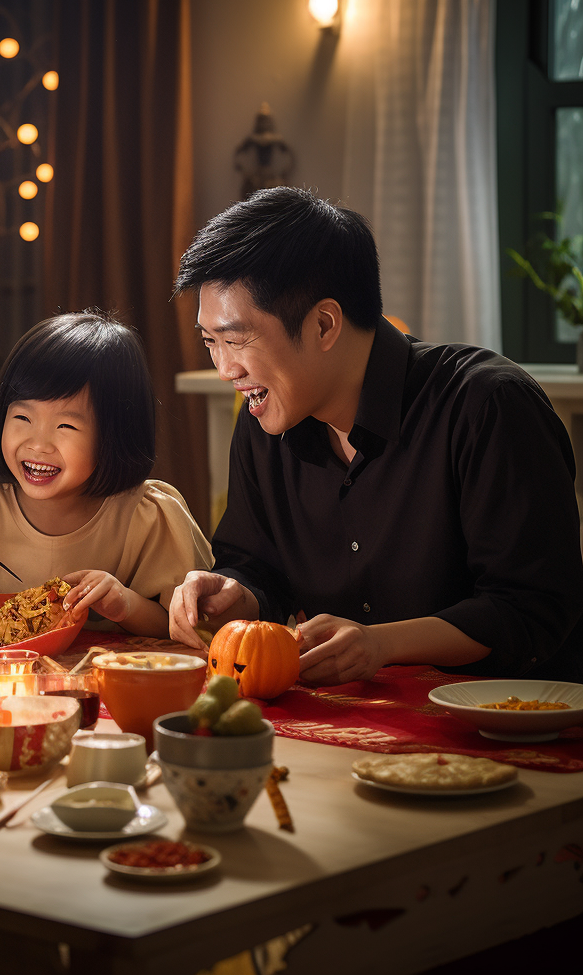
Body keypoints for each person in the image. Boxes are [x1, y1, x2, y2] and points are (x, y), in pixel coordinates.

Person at [168, 187, 583, 686]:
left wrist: (382, 644)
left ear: (324, 324)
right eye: (211, 343)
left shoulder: (488, 406)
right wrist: (236, 591)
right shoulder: (264, 419)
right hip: (356, 725)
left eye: (235, 341)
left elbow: (529, 609)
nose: (223, 369)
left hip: (511, 727)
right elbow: (257, 566)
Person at [0, 309, 212, 636]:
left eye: (65, 425)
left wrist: (125, 604)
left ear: (115, 434)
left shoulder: (146, 517)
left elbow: (187, 629)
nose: (38, 444)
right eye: (23, 418)